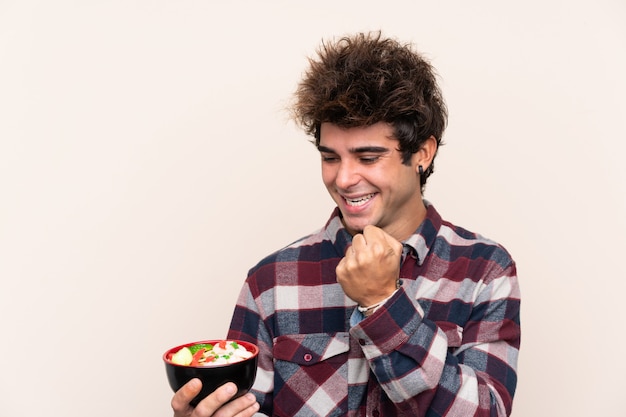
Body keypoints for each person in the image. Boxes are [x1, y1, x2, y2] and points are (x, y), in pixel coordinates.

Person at [171, 31, 521, 417]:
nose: (343, 179)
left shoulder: (484, 270)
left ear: (422, 152)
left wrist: (384, 304)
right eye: (331, 157)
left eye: (368, 157)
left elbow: (487, 412)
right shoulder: (271, 280)